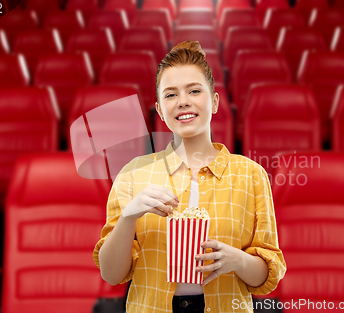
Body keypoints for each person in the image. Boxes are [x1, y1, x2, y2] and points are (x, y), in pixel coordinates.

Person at [93, 41, 287, 313]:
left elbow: (269, 275)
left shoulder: (251, 174)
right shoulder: (133, 174)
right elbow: (111, 274)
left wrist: (238, 261)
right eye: (170, 95)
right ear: (160, 111)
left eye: (194, 91)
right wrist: (128, 217)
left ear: (215, 102)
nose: (183, 101)